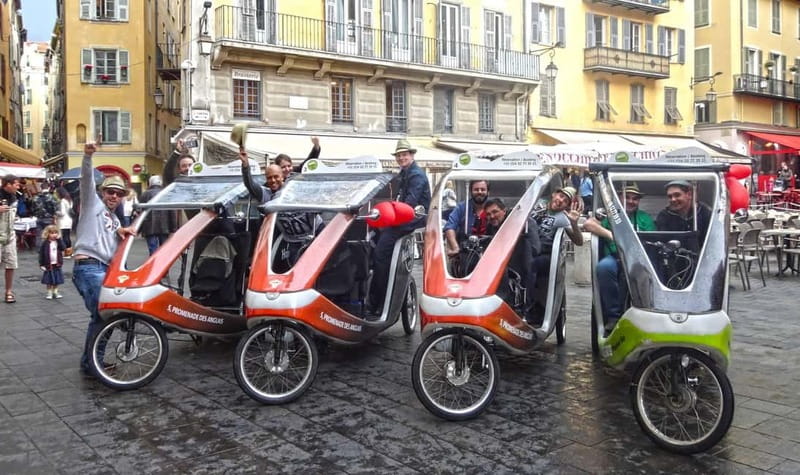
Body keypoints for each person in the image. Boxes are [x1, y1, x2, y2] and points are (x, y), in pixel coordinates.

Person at [72, 142, 136, 377]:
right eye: (111, 192)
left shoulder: (115, 220)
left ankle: (92, 362)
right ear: (102, 192)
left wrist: (122, 232)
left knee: (105, 315)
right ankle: (91, 364)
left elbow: (114, 240)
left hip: (103, 269)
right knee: (103, 314)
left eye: (119, 194)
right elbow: (86, 180)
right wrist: (88, 155)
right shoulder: (92, 205)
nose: (115, 196)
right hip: (88, 266)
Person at [368, 139, 430, 315]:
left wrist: (391, 216)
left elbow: (409, 202)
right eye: (399, 155)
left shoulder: (416, 175)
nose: (401, 158)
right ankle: (377, 275)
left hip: (411, 219)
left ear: (411, 155)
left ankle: (377, 301)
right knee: (374, 235)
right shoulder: (405, 173)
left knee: (381, 254)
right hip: (404, 217)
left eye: (404, 155)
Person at [583, 184, 655, 328]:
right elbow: (589, 224)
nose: (631, 201)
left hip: (639, 258)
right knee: (604, 268)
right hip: (616, 257)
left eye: (635, 199)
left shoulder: (644, 218)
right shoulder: (611, 215)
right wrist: (611, 235)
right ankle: (613, 316)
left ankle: (646, 316)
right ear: (620, 198)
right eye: (627, 197)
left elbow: (651, 240)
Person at [525, 186, 583, 322]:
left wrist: (574, 224)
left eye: (566, 201)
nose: (561, 200)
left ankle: (529, 305)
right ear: (554, 194)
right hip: (526, 247)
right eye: (560, 196)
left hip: (544, 254)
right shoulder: (537, 204)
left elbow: (579, 241)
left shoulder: (562, 218)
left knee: (532, 264)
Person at [656, 180, 711, 253]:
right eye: (670, 196)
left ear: (689, 195)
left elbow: (711, 241)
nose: (673, 199)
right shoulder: (664, 215)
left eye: (677, 195)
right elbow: (663, 241)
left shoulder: (704, 212)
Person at [444, 180, 490, 257]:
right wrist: (455, 248)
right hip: (466, 252)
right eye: (476, 189)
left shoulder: (493, 207)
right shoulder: (461, 207)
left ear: (488, 192)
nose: (479, 192)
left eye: (483, 189)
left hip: (490, 250)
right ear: (470, 191)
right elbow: (450, 227)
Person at [139, 175, 174, 255]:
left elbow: (140, 212)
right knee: (164, 250)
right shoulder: (167, 193)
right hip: (165, 227)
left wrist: (139, 229)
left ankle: (153, 266)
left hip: (149, 227)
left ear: (150, 183)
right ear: (160, 183)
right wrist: (173, 229)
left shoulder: (145, 194)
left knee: (153, 250)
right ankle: (164, 266)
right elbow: (172, 211)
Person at [0, 174, 20, 303]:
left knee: (11, 264)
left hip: (10, 235)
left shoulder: (14, 198)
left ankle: (8, 291)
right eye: (16, 184)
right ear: (8, 184)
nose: (18, 186)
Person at [39, 225, 66, 299]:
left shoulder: (58, 242)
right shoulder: (45, 243)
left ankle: (55, 291)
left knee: (57, 279)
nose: (54, 235)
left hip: (57, 264)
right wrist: (41, 264)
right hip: (48, 264)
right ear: (47, 234)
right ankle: (49, 292)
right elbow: (41, 254)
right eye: (52, 233)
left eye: (55, 233)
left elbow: (63, 248)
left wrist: (59, 240)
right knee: (49, 280)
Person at [31, 181, 59, 248]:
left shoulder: (35, 198)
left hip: (39, 218)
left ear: (41, 188)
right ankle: (49, 248)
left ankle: (40, 249)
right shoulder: (52, 197)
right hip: (49, 219)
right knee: (50, 234)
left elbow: (32, 209)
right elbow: (56, 208)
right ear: (49, 187)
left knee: (39, 235)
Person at [55, 187, 74, 257]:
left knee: (64, 236)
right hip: (69, 219)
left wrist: (56, 212)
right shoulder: (69, 200)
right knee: (68, 236)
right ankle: (70, 251)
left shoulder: (62, 201)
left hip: (63, 220)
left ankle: (66, 253)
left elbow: (62, 213)